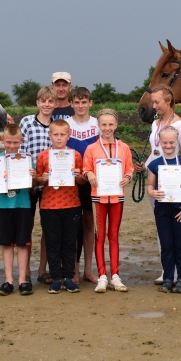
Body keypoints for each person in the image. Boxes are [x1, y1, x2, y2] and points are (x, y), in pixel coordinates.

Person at [132, 85, 181, 284]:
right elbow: (155, 151)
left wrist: (179, 182)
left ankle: (177, 272)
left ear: (168, 102)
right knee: (162, 226)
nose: (154, 105)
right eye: (153, 102)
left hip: (174, 184)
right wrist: (146, 165)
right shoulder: (156, 124)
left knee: (176, 227)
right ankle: (167, 271)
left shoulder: (180, 125)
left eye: (157, 102)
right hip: (155, 180)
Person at [83, 108, 134, 293]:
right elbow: (85, 168)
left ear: (116, 125)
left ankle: (115, 276)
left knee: (113, 236)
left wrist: (127, 178)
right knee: (100, 236)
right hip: (98, 197)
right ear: (98, 126)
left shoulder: (124, 147)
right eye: (104, 124)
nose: (107, 128)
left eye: (111, 124)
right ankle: (102, 276)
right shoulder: (91, 148)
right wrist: (89, 174)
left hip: (117, 196)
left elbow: (129, 169)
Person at [34, 119, 85, 294]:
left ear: (68, 136)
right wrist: (42, 178)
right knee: (53, 242)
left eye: (62, 134)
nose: (59, 138)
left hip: (72, 203)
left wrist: (78, 175)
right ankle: (56, 278)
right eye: (55, 134)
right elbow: (38, 179)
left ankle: (69, 277)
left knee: (70, 242)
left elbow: (81, 180)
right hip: (49, 205)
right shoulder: (43, 156)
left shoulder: (76, 155)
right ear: (50, 136)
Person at [146, 125, 181, 294]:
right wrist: (152, 192)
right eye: (165, 142)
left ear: (177, 142)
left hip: (180, 210)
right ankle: (168, 278)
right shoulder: (154, 164)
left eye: (171, 142)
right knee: (166, 245)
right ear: (159, 142)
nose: (168, 145)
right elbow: (150, 186)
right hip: (161, 210)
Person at [0, 124, 36, 296]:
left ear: (21, 141)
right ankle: (8, 280)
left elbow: (32, 186)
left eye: (15, 142)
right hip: (4, 206)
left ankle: (23, 280)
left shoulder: (27, 159)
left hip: (23, 204)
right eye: (8, 142)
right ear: (2, 141)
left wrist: (33, 177)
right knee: (7, 244)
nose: (11, 146)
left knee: (23, 244)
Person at [18, 86, 56, 284]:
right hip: (30, 183)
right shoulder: (26, 122)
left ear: (55, 104)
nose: (47, 105)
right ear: (38, 103)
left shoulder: (58, 125)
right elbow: (22, 152)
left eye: (50, 101)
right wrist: (30, 178)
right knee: (27, 226)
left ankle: (43, 269)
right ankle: (25, 271)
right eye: (44, 101)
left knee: (47, 228)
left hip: (51, 185)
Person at [66, 87, 99, 285]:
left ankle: (88, 269)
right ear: (71, 104)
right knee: (72, 227)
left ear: (90, 103)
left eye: (84, 102)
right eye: (76, 102)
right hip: (70, 180)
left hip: (91, 180)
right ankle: (74, 270)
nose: (80, 106)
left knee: (89, 225)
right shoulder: (65, 124)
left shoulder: (97, 124)